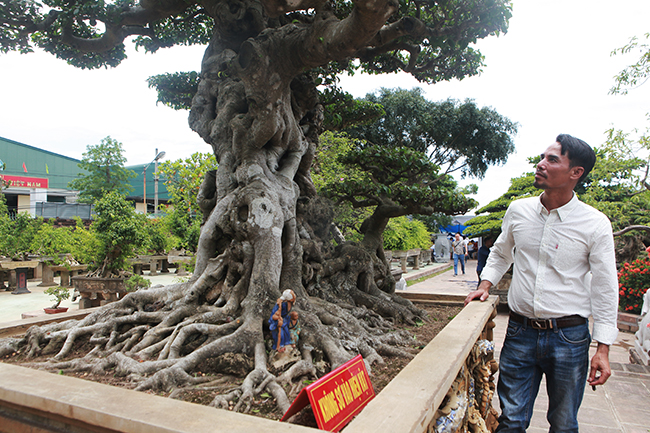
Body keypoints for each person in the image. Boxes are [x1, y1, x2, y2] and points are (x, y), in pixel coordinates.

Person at [465, 134, 618, 433]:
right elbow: (500, 253)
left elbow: (604, 286)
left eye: (552, 159)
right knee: (511, 421)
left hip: (570, 337)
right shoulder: (518, 210)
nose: (541, 164)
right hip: (520, 331)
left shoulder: (595, 223)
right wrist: (485, 284)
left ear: (576, 172)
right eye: (542, 157)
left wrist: (603, 348)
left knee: (563, 424)